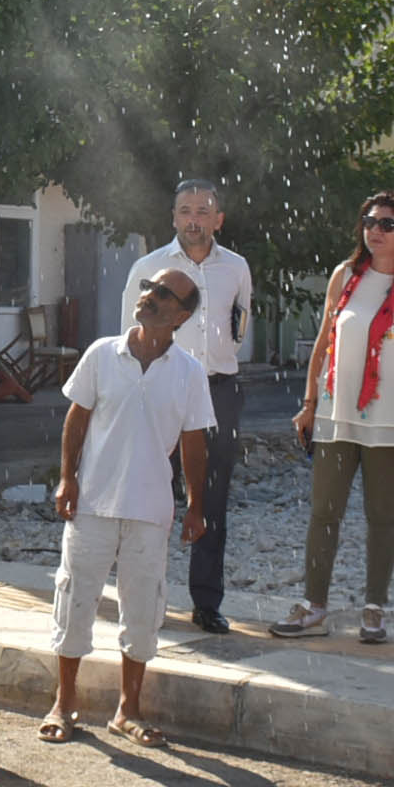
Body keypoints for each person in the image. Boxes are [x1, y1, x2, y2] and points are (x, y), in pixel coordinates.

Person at [47, 269, 215, 747]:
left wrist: (195, 506)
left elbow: (194, 443)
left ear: (182, 315)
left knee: (142, 611)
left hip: (150, 508)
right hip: (93, 503)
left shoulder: (189, 372)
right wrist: (67, 478)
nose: (149, 298)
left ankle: (128, 710)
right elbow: (76, 419)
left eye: (164, 294)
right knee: (74, 601)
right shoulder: (103, 354)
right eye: (147, 288)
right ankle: (64, 702)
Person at [275, 191, 394, 644]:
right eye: (369, 221)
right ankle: (314, 606)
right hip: (337, 414)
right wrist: (309, 404)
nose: (375, 231)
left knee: (381, 515)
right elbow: (324, 341)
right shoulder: (346, 276)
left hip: (393, 418)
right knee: (323, 512)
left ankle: (374, 608)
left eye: (387, 224)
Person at [123, 178, 256, 635]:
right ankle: (146, 598)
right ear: (173, 217)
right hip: (158, 387)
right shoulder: (149, 266)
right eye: (185, 210)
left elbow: (238, 327)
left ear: (218, 218)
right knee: (151, 494)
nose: (193, 219)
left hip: (218, 391)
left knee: (211, 500)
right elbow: (129, 333)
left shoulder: (237, 268)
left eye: (203, 210)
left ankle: (206, 602)